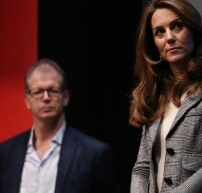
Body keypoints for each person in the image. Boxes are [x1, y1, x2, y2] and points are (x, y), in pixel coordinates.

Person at [129, 0, 202, 193]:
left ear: (194, 31)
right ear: (154, 45)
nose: (169, 37)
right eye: (159, 32)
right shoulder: (155, 94)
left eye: (177, 26)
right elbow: (142, 167)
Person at [0, 58, 120, 193]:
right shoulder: (6, 153)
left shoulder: (94, 153)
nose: (46, 97)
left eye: (53, 90)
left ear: (66, 97)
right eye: (38, 91)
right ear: (27, 100)